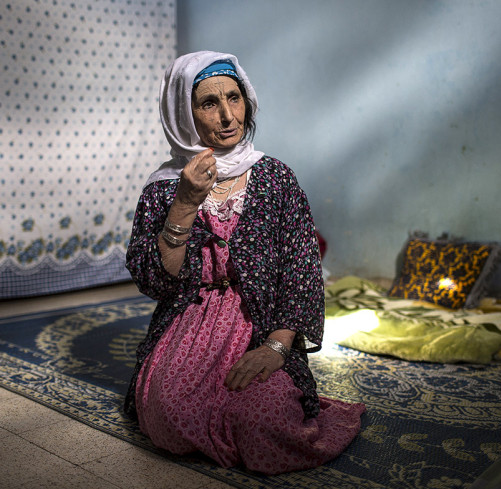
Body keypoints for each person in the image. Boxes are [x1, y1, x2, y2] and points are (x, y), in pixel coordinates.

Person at [124, 50, 365, 475]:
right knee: (167, 420)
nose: (227, 117)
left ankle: (247, 421)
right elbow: (154, 283)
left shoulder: (275, 178)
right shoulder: (165, 187)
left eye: (234, 98)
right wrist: (183, 204)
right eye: (208, 104)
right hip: (190, 320)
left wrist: (277, 346)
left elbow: (302, 270)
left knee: (263, 425)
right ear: (184, 113)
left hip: (263, 323)